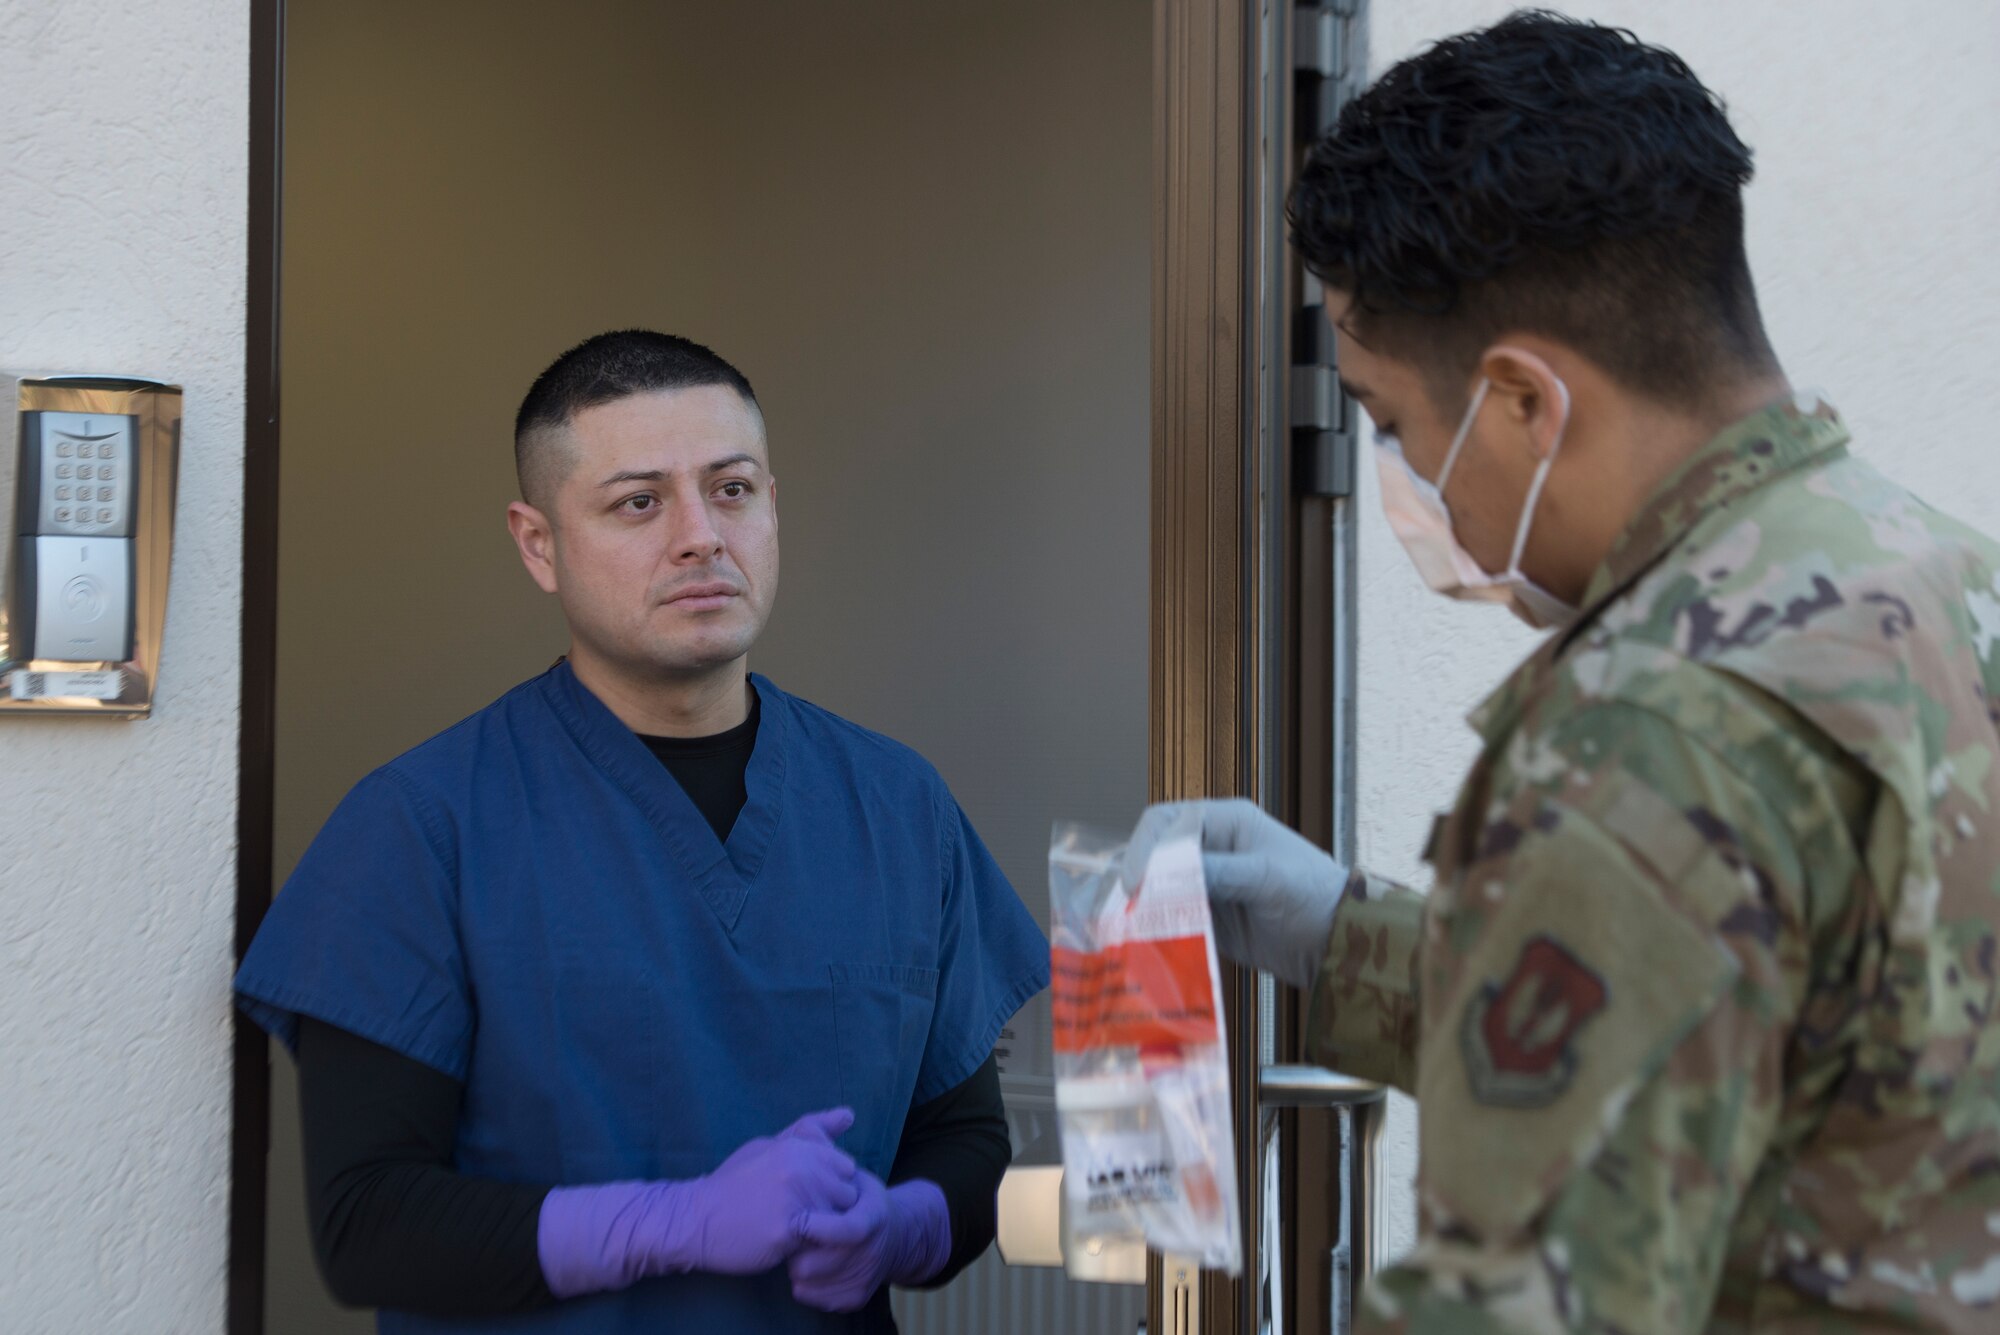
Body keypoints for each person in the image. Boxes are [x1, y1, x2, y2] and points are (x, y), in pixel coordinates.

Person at [1153, 13, 2000, 1332]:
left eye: (1390, 421)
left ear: (1524, 402)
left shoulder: (1649, 722)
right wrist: (1338, 934)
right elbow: (1788, 1017)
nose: (1399, 478)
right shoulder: (1949, 578)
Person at [236, 330, 1050, 1332]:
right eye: (638, 502)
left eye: (732, 489)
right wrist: (678, 1223)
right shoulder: (420, 829)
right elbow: (367, 1224)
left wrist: (900, 1227)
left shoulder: (896, 808)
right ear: (538, 544)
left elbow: (963, 1143)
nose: (701, 535)